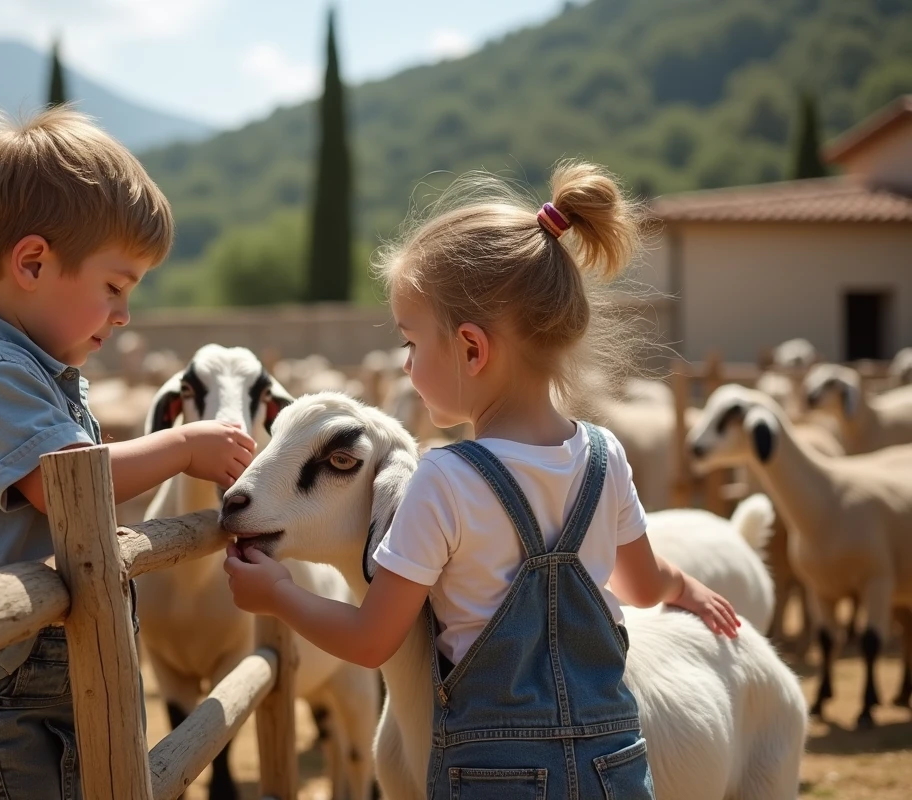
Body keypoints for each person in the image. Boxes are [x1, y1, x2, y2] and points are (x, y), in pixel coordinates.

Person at [224, 161, 740, 799]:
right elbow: (641, 584)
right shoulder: (606, 456)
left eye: (412, 344)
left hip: (494, 774)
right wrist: (687, 588)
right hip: (614, 764)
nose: (407, 366)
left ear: (471, 349)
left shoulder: (443, 480)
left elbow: (371, 639)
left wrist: (278, 594)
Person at [0, 105, 255, 800]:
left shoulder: (24, 372)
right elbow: (67, 486)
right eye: (114, 287)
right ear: (32, 262)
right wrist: (181, 446)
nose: (124, 314)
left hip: (10, 692)